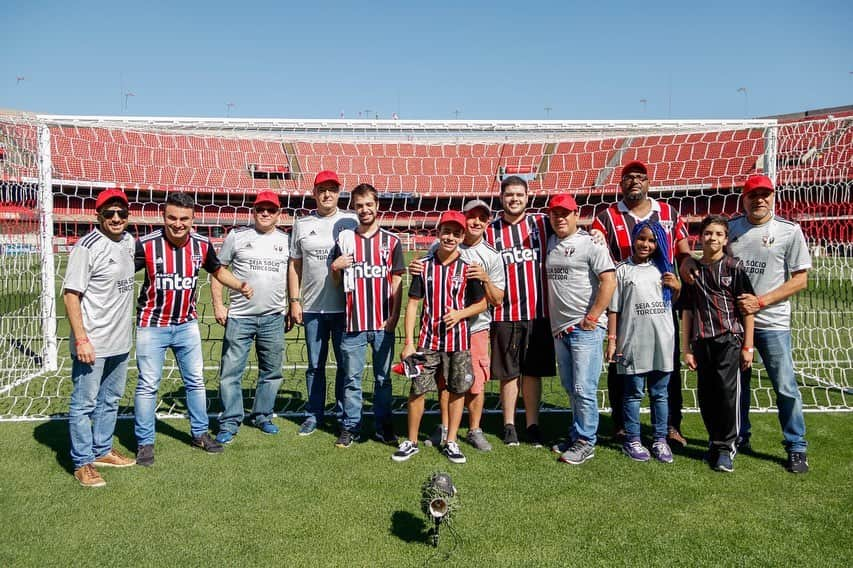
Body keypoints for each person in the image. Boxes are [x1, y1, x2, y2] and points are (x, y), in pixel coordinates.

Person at [134, 192, 253, 466]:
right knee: (148, 385)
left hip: (187, 325)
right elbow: (123, 274)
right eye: (172, 218)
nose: (178, 224)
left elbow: (216, 270)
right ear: (163, 217)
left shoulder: (202, 244)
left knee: (196, 381)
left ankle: (199, 433)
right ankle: (145, 442)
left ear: (193, 219)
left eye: (184, 219)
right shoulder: (147, 245)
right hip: (152, 326)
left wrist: (239, 285)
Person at [590, 160, 691, 447]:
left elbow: (683, 254)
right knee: (620, 367)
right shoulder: (606, 217)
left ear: (648, 183)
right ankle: (621, 426)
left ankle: (671, 426)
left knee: (668, 368)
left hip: (661, 304)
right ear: (620, 184)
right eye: (628, 177)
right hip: (626, 304)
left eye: (640, 177)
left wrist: (682, 281)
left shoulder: (668, 213)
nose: (634, 181)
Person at [729, 174, 811, 473]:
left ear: (773, 196)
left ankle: (796, 446)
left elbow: (800, 280)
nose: (759, 200)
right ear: (744, 198)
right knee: (738, 386)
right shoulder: (732, 228)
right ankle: (740, 436)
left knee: (786, 386)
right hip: (737, 324)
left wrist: (760, 301)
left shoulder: (790, 231)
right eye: (753, 195)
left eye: (765, 194)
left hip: (774, 322)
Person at [392, 211, 487, 464]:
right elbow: (412, 305)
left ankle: (451, 441)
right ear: (438, 233)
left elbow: (482, 304)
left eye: (457, 233)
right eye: (446, 231)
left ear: (462, 236)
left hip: (459, 342)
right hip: (426, 342)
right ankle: (411, 442)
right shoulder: (423, 266)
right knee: (417, 390)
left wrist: (460, 314)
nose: (451, 237)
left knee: (457, 391)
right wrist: (409, 342)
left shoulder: (468, 269)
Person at [411, 199, 506, 452]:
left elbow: (496, 300)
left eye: (481, 218)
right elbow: (425, 271)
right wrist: (415, 266)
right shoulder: (438, 245)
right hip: (441, 333)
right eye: (471, 216)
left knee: (472, 384)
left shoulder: (491, 256)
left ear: (487, 223)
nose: (476, 221)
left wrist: (485, 279)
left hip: (474, 329)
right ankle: (444, 428)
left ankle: (474, 430)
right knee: (445, 382)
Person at [63, 188, 137, 486]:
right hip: (92, 344)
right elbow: (71, 295)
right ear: (99, 216)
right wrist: (81, 339)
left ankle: (102, 449)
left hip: (120, 341)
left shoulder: (130, 242)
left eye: (121, 212)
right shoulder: (87, 247)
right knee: (84, 403)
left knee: (111, 399)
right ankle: (82, 462)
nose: (116, 218)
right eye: (110, 213)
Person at [212, 191, 291, 445]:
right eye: (260, 209)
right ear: (253, 211)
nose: (265, 213)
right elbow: (217, 270)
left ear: (279, 214)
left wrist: (292, 304)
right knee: (231, 371)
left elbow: (293, 274)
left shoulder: (286, 240)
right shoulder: (237, 236)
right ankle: (230, 420)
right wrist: (218, 304)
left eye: (271, 209)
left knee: (271, 371)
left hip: (273, 317)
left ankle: (263, 415)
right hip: (239, 317)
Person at [329, 183, 405, 448]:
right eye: (359, 205)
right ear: (354, 208)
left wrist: (394, 317)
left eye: (368, 204)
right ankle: (351, 427)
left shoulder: (391, 241)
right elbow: (337, 282)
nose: (364, 210)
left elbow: (397, 282)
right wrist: (335, 268)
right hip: (353, 324)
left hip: (383, 324)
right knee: (351, 379)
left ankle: (384, 427)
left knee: (383, 379)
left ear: (377, 206)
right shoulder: (345, 241)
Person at [545, 194, 616, 465]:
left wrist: (593, 317)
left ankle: (587, 441)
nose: (560, 218)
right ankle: (577, 434)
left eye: (566, 213)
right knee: (569, 386)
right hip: (560, 329)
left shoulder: (590, 244)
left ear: (577, 216)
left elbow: (609, 281)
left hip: (585, 328)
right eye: (555, 214)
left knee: (583, 387)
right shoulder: (551, 241)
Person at [485, 175, 555, 447]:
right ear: (501, 198)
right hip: (504, 313)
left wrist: (594, 232)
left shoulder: (541, 224)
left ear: (528, 197)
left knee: (533, 371)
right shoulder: (491, 231)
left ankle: (533, 423)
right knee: (509, 372)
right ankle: (510, 425)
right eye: (509, 195)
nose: (514, 199)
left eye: (519, 194)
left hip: (539, 313)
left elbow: (570, 231)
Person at [681, 215, 755, 473]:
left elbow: (747, 310)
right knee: (707, 395)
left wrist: (748, 346)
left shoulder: (735, 268)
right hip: (702, 341)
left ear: (726, 239)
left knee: (727, 394)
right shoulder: (692, 272)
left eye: (718, 234)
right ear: (700, 237)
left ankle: (726, 447)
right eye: (708, 233)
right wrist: (686, 348)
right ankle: (713, 441)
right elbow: (688, 310)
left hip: (729, 340)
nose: (712, 238)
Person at [288, 171, 358, 436]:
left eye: (332, 189)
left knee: (344, 364)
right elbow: (294, 265)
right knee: (315, 365)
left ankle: (342, 415)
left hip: (345, 308)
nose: (327, 194)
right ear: (314, 193)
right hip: (312, 308)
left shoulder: (351, 221)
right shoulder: (302, 224)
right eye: (322, 190)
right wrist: (294, 300)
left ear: (339, 192)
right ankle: (313, 414)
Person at [606, 221, 681, 464]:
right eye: (641, 239)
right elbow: (614, 310)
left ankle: (660, 439)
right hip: (633, 342)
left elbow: (676, 304)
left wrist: (678, 289)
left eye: (651, 240)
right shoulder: (622, 270)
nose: (646, 245)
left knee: (660, 394)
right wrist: (612, 340)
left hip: (663, 341)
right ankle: (633, 439)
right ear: (633, 239)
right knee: (633, 393)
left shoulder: (665, 269)